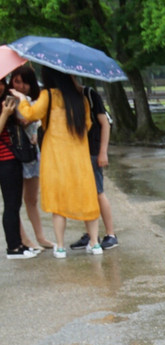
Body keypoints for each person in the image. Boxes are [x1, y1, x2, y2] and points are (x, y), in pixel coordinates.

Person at [12, 67, 102, 257]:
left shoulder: (48, 95)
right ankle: (95, 243)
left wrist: (21, 99)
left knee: (58, 201)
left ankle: (60, 247)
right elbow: (87, 124)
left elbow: (31, 114)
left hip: (55, 157)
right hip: (79, 156)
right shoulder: (80, 96)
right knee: (87, 197)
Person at [71, 81, 118, 251]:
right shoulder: (65, 97)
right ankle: (91, 234)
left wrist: (103, 151)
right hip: (77, 152)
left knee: (98, 192)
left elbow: (105, 123)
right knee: (85, 194)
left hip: (93, 150)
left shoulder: (90, 94)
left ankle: (111, 234)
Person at [9, 65, 51, 251]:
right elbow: (23, 120)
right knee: (13, 201)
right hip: (14, 152)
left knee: (32, 199)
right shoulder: (11, 99)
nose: (21, 86)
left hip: (33, 153)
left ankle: (40, 236)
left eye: (24, 82)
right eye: (17, 81)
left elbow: (39, 117)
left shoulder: (38, 97)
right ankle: (25, 238)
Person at [2, 76, 36, 259]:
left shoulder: (5, 101)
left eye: (1, 83)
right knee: (10, 204)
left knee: (15, 203)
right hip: (4, 160)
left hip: (12, 159)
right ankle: (13, 247)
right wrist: (5, 114)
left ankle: (19, 244)